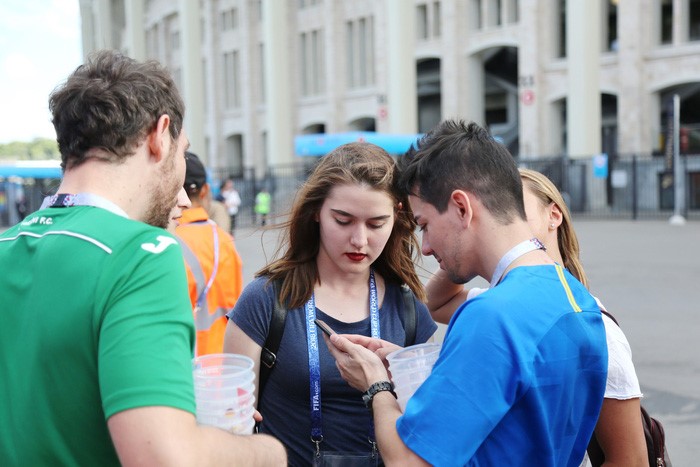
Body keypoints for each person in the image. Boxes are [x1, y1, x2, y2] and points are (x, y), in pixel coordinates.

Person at [0, 50, 285, 466]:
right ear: (160, 134)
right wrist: (267, 453)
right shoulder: (141, 254)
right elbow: (165, 457)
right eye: (182, 151)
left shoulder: (8, 244)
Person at [323, 120, 608, 466]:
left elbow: (408, 462)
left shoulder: (491, 316)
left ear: (461, 207)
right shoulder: (576, 297)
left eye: (425, 224)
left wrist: (376, 384)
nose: (425, 247)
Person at [223, 142, 437, 466]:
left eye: (376, 223)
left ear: (396, 217)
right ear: (316, 213)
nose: (360, 240)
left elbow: (428, 429)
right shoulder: (265, 300)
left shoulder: (410, 311)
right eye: (343, 220)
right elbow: (231, 429)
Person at [176, 152, 244, 356]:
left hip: (184, 365)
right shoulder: (223, 241)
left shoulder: (163, 241)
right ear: (205, 190)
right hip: (222, 363)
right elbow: (237, 307)